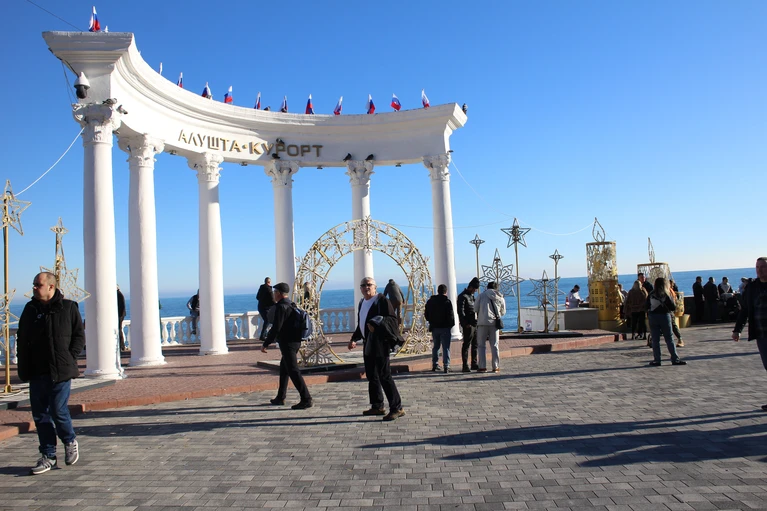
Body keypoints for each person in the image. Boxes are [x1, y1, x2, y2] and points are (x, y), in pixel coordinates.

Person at [17, 272, 85, 475]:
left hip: (60, 370)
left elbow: (79, 336)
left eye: (38, 285)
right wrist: (23, 364)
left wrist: (69, 357)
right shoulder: (30, 309)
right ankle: (48, 455)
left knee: (58, 410)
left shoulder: (68, 307)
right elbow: (22, 338)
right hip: (37, 371)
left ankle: (69, 440)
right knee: (41, 415)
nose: (34, 288)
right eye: (34, 284)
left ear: (51, 287)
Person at [348, 277, 405, 421]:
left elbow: (392, 320)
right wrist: (354, 338)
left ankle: (397, 408)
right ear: (360, 288)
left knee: (384, 375)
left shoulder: (382, 300)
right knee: (371, 375)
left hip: (380, 343)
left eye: (369, 284)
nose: (366, 287)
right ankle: (377, 405)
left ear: (375, 287)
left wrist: (377, 325)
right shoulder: (362, 302)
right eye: (363, 285)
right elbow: (361, 323)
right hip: (368, 343)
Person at [261, 282, 313, 409]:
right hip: (295, 341)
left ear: (279, 293)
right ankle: (280, 397)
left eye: (274, 292)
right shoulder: (291, 304)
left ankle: (306, 398)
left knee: (293, 370)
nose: (273, 295)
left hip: (288, 342)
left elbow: (276, 328)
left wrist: (266, 343)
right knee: (284, 368)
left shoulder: (281, 307)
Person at [732, 257, 767, 411]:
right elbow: (745, 309)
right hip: (761, 332)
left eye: (763, 267)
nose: (759, 270)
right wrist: (737, 330)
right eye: (757, 267)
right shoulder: (752, 287)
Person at [646, 277, 686, 367]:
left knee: (655, 340)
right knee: (669, 338)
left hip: (653, 317)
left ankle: (657, 360)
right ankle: (675, 359)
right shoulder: (666, 294)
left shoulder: (651, 294)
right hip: (664, 316)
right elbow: (673, 307)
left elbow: (646, 306)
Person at [475, 281, 505, 373]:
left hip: (482, 323)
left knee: (481, 345)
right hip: (494, 323)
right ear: (496, 288)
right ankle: (495, 366)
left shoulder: (481, 296)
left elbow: (475, 308)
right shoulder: (500, 297)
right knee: (495, 345)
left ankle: (482, 367)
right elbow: (503, 312)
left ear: (487, 287)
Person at [425, 284, 456, 373]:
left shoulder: (430, 301)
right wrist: (451, 325)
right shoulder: (447, 302)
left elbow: (426, 314)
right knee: (446, 347)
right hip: (445, 327)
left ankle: (435, 364)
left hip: (435, 327)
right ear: (446, 291)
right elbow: (451, 315)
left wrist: (431, 321)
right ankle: (446, 365)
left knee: (436, 346)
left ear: (438, 291)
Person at [457, 277, 480, 372]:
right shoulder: (463, 296)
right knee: (466, 344)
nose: (475, 291)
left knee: (475, 344)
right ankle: (465, 365)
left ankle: (474, 363)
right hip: (468, 324)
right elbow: (460, 311)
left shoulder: (472, 296)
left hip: (474, 323)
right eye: (474, 289)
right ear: (471, 287)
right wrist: (465, 323)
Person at [256, 277, 275, 342]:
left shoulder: (261, 288)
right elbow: (272, 299)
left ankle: (265, 335)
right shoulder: (269, 289)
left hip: (260, 307)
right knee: (268, 321)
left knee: (267, 321)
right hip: (266, 308)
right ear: (269, 282)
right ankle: (263, 335)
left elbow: (257, 297)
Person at [117, 285, 127, 351]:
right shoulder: (119, 294)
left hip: (119, 316)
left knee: (119, 330)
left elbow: (122, 306)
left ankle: (122, 345)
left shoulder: (119, 294)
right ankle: (121, 345)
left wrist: (120, 316)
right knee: (119, 330)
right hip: (120, 315)